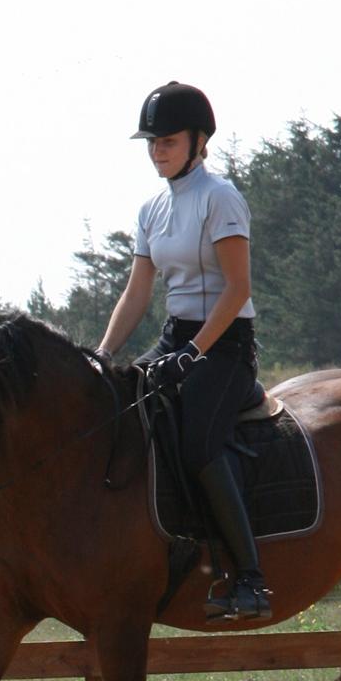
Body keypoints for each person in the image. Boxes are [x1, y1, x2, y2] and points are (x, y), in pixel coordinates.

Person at [97, 80, 272, 621]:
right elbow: (137, 293)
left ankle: (250, 577)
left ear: (199, 142)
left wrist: (196, 351)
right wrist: (101, 359)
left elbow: (237, 289)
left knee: (197, 443)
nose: (157, 151)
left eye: (168, 141)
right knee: (121, 412)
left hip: (224, 348)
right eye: (151, 142)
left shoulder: (221, 198)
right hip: (177, 339)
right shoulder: (152, 210)